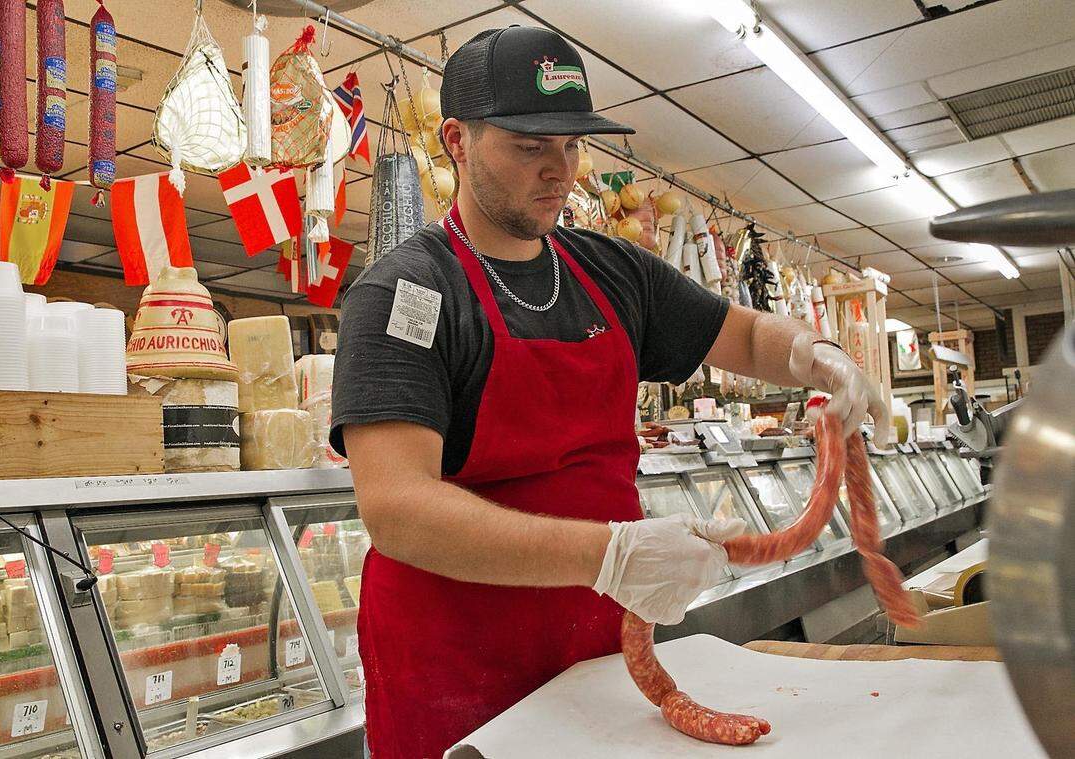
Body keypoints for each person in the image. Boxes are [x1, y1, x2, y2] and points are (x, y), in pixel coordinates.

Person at [330, 25, 889, 759]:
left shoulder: (612, 270)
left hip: (597, 659)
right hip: (453, 678)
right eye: (531, 147)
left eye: (570, 145)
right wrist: (610, 555)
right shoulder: (406, 292)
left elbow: (748, 336)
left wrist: (819, 356)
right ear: (456, 141)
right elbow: (399, 510)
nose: (558, 170)